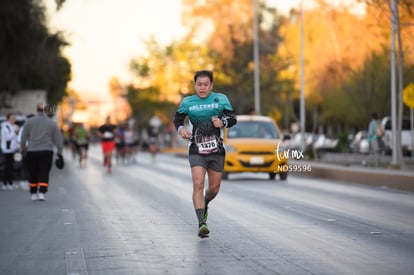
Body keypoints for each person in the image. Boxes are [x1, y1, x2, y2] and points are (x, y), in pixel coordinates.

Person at [173, 70, 237, 238]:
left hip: (216, 149)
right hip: (196, 148)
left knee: (213, 189)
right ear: (195, 85)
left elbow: (233, 119)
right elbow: (177, 119)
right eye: (199, 84)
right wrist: (181, 129)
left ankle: (206, 203)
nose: (202, 88)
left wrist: (223, 121)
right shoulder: (187, 102)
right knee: (198, 184)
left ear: (211, 85)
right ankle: (202, 223)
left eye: (205, 84)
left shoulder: (221, 99)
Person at [20, 103, 64, 201]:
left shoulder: (29, 122)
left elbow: (23, 137)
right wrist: (59, 152)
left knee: (33, 172)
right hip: (46, 151)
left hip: (32, 151)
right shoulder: (52, 123)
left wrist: (23, 149)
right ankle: (42, 192)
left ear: (37, 110)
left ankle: (33, 193)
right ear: (47, 110)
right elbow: (58, 139)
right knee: (44, 172)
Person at [1, 113, 19, 190]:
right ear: (8, 119)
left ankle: (10, 182)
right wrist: (15, 132)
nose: (13, 120)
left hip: (13, 149)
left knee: (11, 167)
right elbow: (7, 138)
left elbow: (16, 138)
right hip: (7, 150)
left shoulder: (14, 126)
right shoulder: (5, 127)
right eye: (12, 118)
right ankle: (6, 183)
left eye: (14, 118)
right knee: (7, 167)